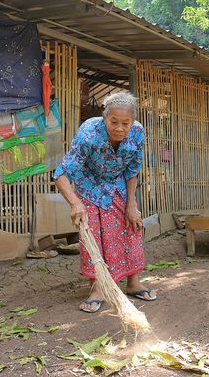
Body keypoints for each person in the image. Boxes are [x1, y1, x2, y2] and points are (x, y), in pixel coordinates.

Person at [54, 91, 157, 313]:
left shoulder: (137, 133)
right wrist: (75, 203)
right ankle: (98, 288)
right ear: (104, 117)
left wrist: (132, 205)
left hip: (118, 184)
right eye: (114, 122)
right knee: (94, 234)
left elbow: (132, 171)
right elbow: (62, 173)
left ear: (133, 121)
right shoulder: (88, 133)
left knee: (131, 227)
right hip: (89, 185)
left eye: (125, 123)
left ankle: (132, 283)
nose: (119, 128)